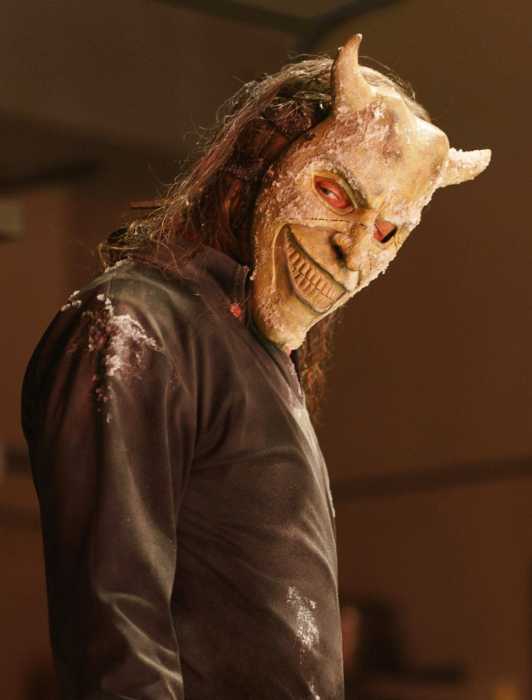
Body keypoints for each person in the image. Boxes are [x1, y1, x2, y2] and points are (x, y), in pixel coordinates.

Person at [21, 34, 490, 700]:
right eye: (335, 194)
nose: (355, 253)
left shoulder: (254, 354)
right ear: (262, 163)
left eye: (388, 230)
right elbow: (116, 632)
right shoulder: (137, 326)